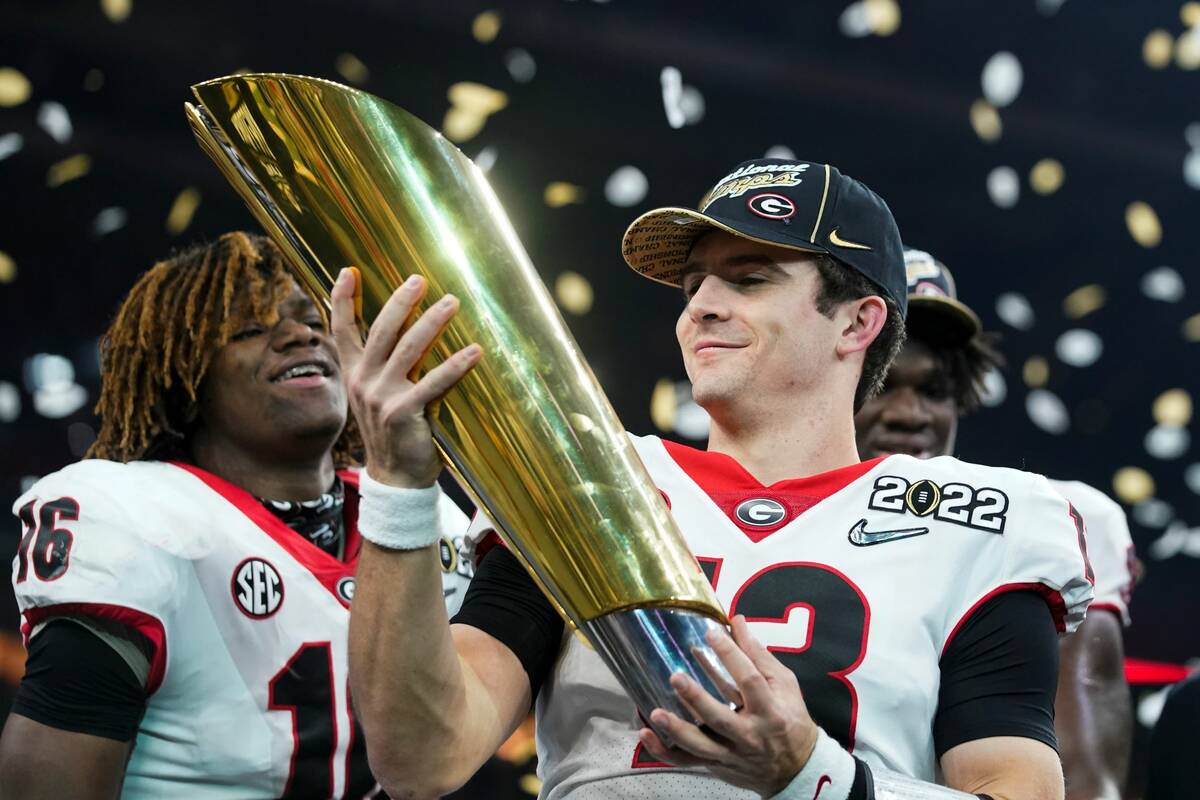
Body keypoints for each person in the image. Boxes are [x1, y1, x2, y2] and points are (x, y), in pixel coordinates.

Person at [339, 158, 1094, 800]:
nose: (701, 307)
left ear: (857, 323)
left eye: (750, 278)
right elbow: (419, 758)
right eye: (695, 283)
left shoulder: (978, 522)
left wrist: (811, 776)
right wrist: (399, 483)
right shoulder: (589, 479)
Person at [0, 232, 468, 799]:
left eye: (312, 321)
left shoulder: (422, 515)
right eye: (251, 327)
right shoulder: (140, 516)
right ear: (186, 377)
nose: (301, 334)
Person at [854, 248, 1136, 800]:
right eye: (883, 383)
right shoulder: (753, 512)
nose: (910, 413)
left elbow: (1087, 778)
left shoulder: (1057, 518)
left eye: (934, 391)